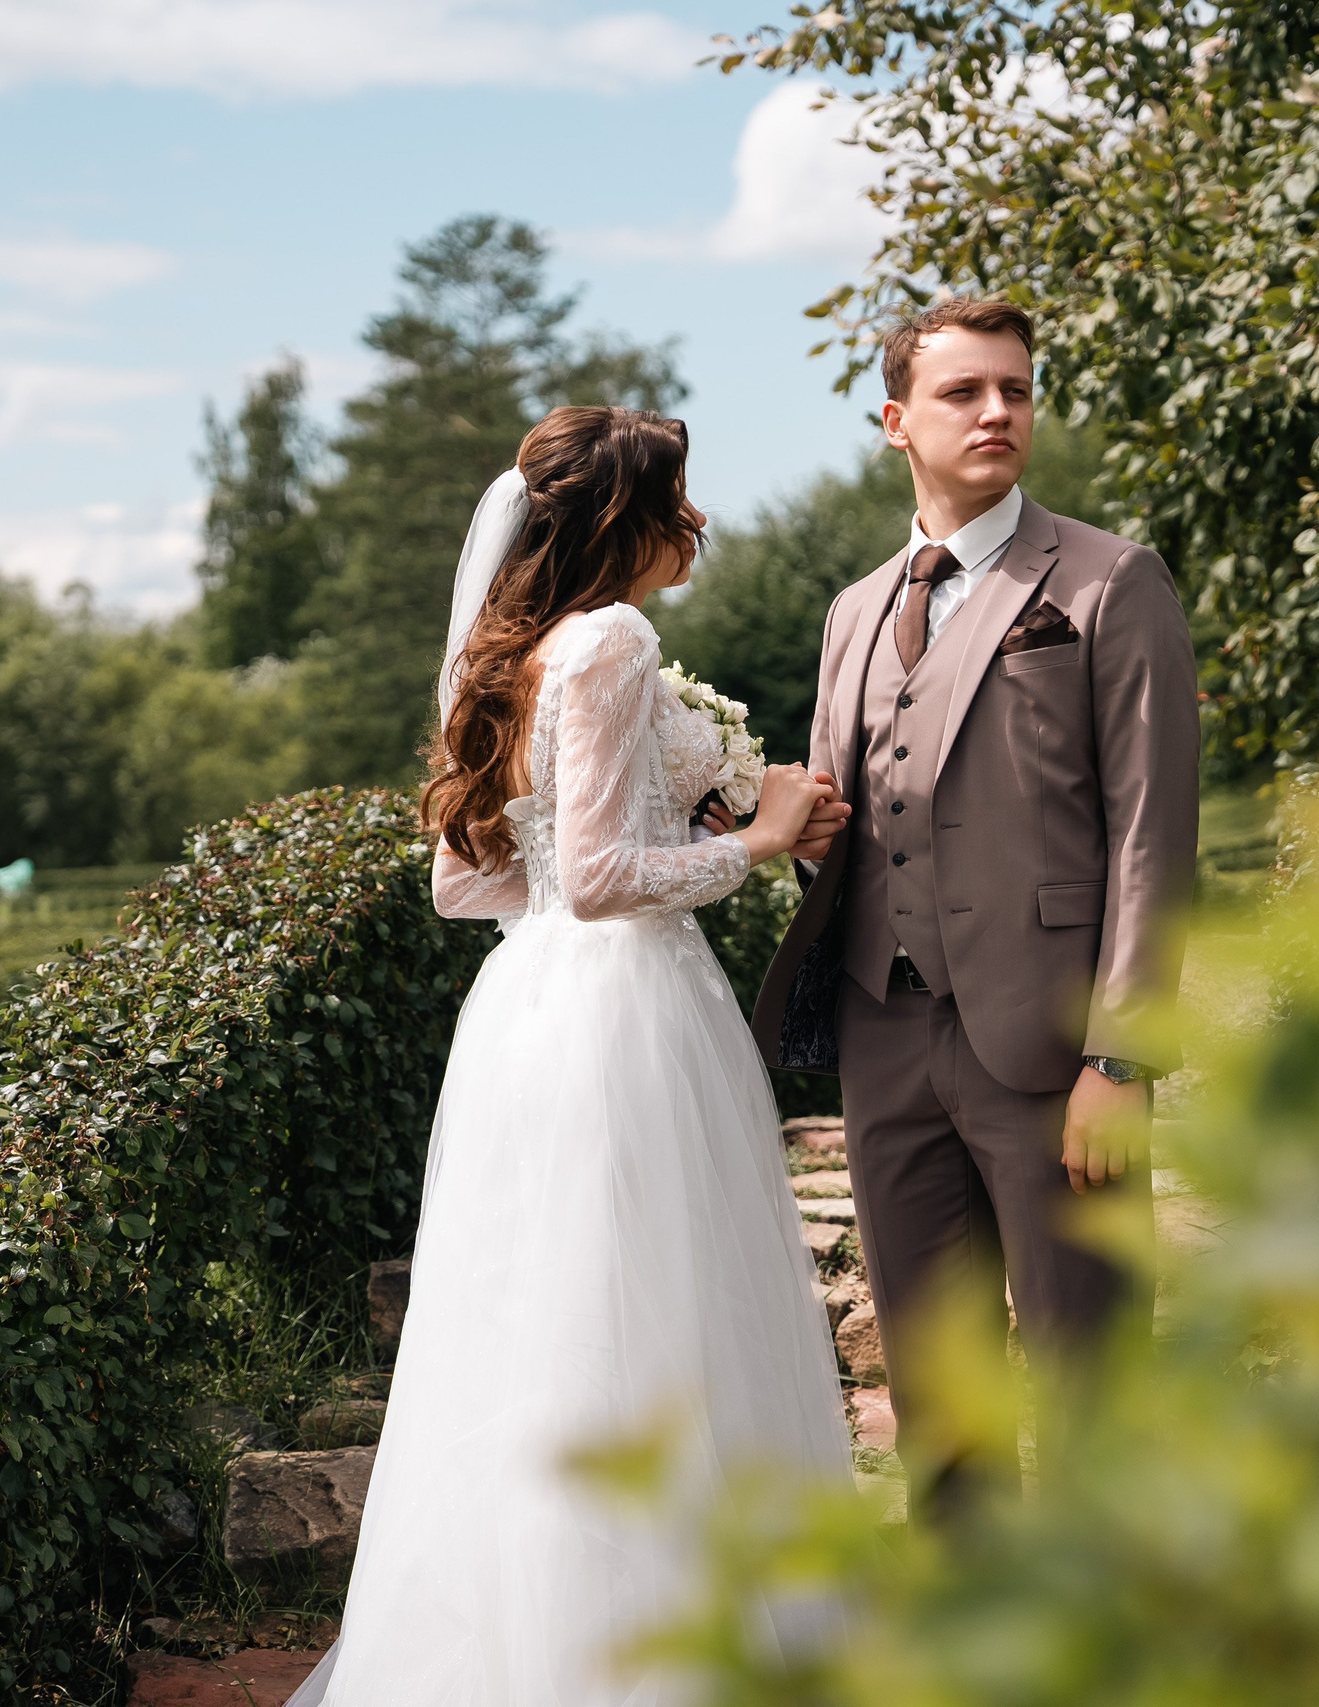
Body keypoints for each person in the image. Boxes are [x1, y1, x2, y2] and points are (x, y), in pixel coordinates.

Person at [288, 406, 852, 1706]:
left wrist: (667, 809)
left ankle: (521, 1643)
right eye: (681, 498)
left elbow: (468, 886)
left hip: (523, 1012)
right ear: (631, 518)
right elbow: (601, 879)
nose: (696, 522)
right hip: (624, 1011)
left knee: (542, 1325)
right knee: (657, 1320)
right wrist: (756, 838)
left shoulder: (515, 654)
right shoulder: (612, 638)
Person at [753, 297, 1200, 1515]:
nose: (998, 410)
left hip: (1054, 1047)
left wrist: (1121, 1055)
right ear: (897, 421)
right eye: (963, 392)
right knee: (939, 1383)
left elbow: (1155, 840)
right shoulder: (853, 609)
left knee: (1089, 1374)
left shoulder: (1112, 580)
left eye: (1015, 388)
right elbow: (857, 817)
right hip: (884, 1035)